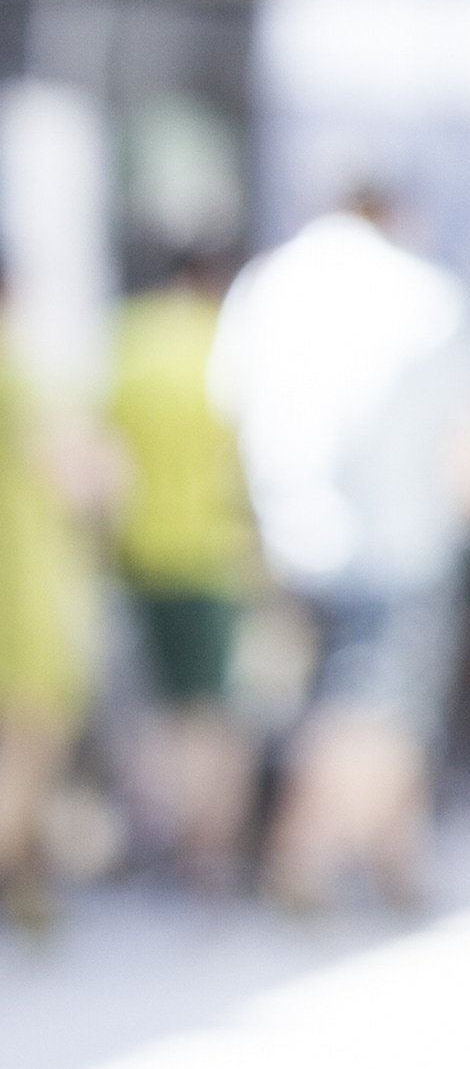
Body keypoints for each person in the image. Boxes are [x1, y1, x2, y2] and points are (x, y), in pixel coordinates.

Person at [217, 184, 470, 911]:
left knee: (345, 696)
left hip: (286, 534)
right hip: (401, 541)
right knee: (375, 707)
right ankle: (301, 856)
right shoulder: (424, 293)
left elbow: (227, 405)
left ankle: (398, 861)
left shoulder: (267, 286)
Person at [105, 245, 263, 888]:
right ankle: (208, 851)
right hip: (214, 556)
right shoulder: (226, 345)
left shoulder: (126, 341)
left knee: (165, 708)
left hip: (140, 555)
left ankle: (164, 834)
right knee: (213, 712)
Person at [0, 258, 98, 932]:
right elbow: (82, 475)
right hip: (23, 578)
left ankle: (33, 889)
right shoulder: (22, 367)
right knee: (30, 741)